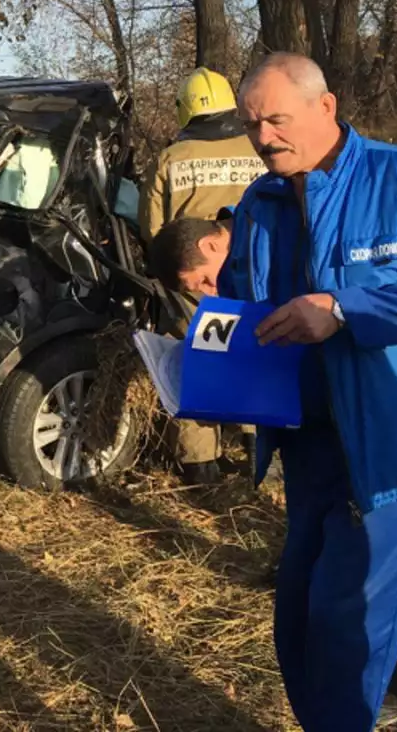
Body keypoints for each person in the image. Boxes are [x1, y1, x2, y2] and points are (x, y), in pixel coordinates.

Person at [215, 52, 397, 730]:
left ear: (326, 108)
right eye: (252, 125)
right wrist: (204, 344)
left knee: (352, 629)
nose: (264, 138)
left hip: (389, 449)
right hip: (304, 442)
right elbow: (245, 306)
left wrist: (345, 310)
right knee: (298, 618)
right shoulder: (260, 202)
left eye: (276, 120)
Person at [139, 67, 266, 484]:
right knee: (254, 357)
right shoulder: (257, 145)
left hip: (194, 281)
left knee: (196, 360)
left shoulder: (170, 159)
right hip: (252, 276)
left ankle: (200, 466)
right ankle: (258, 450)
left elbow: (156, 234)